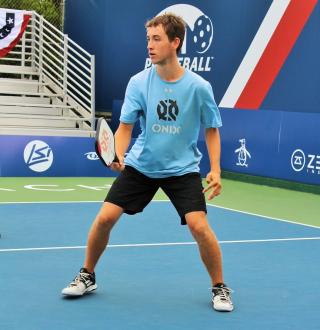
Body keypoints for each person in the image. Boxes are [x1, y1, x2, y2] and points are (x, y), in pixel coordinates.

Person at [62, 13, 234, 312]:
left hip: (182, 169)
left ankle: (220, 287)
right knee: (104, 218)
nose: (150, 46)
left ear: (175, 42)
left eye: (157, 39)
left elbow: (211, 128)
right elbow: (125, 127)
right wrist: (118, 154)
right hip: (142, 165)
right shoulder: (139, 83)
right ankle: (87, 275)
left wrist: (216, 170)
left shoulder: (198, 87)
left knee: (199, 225)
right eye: (148, 39)